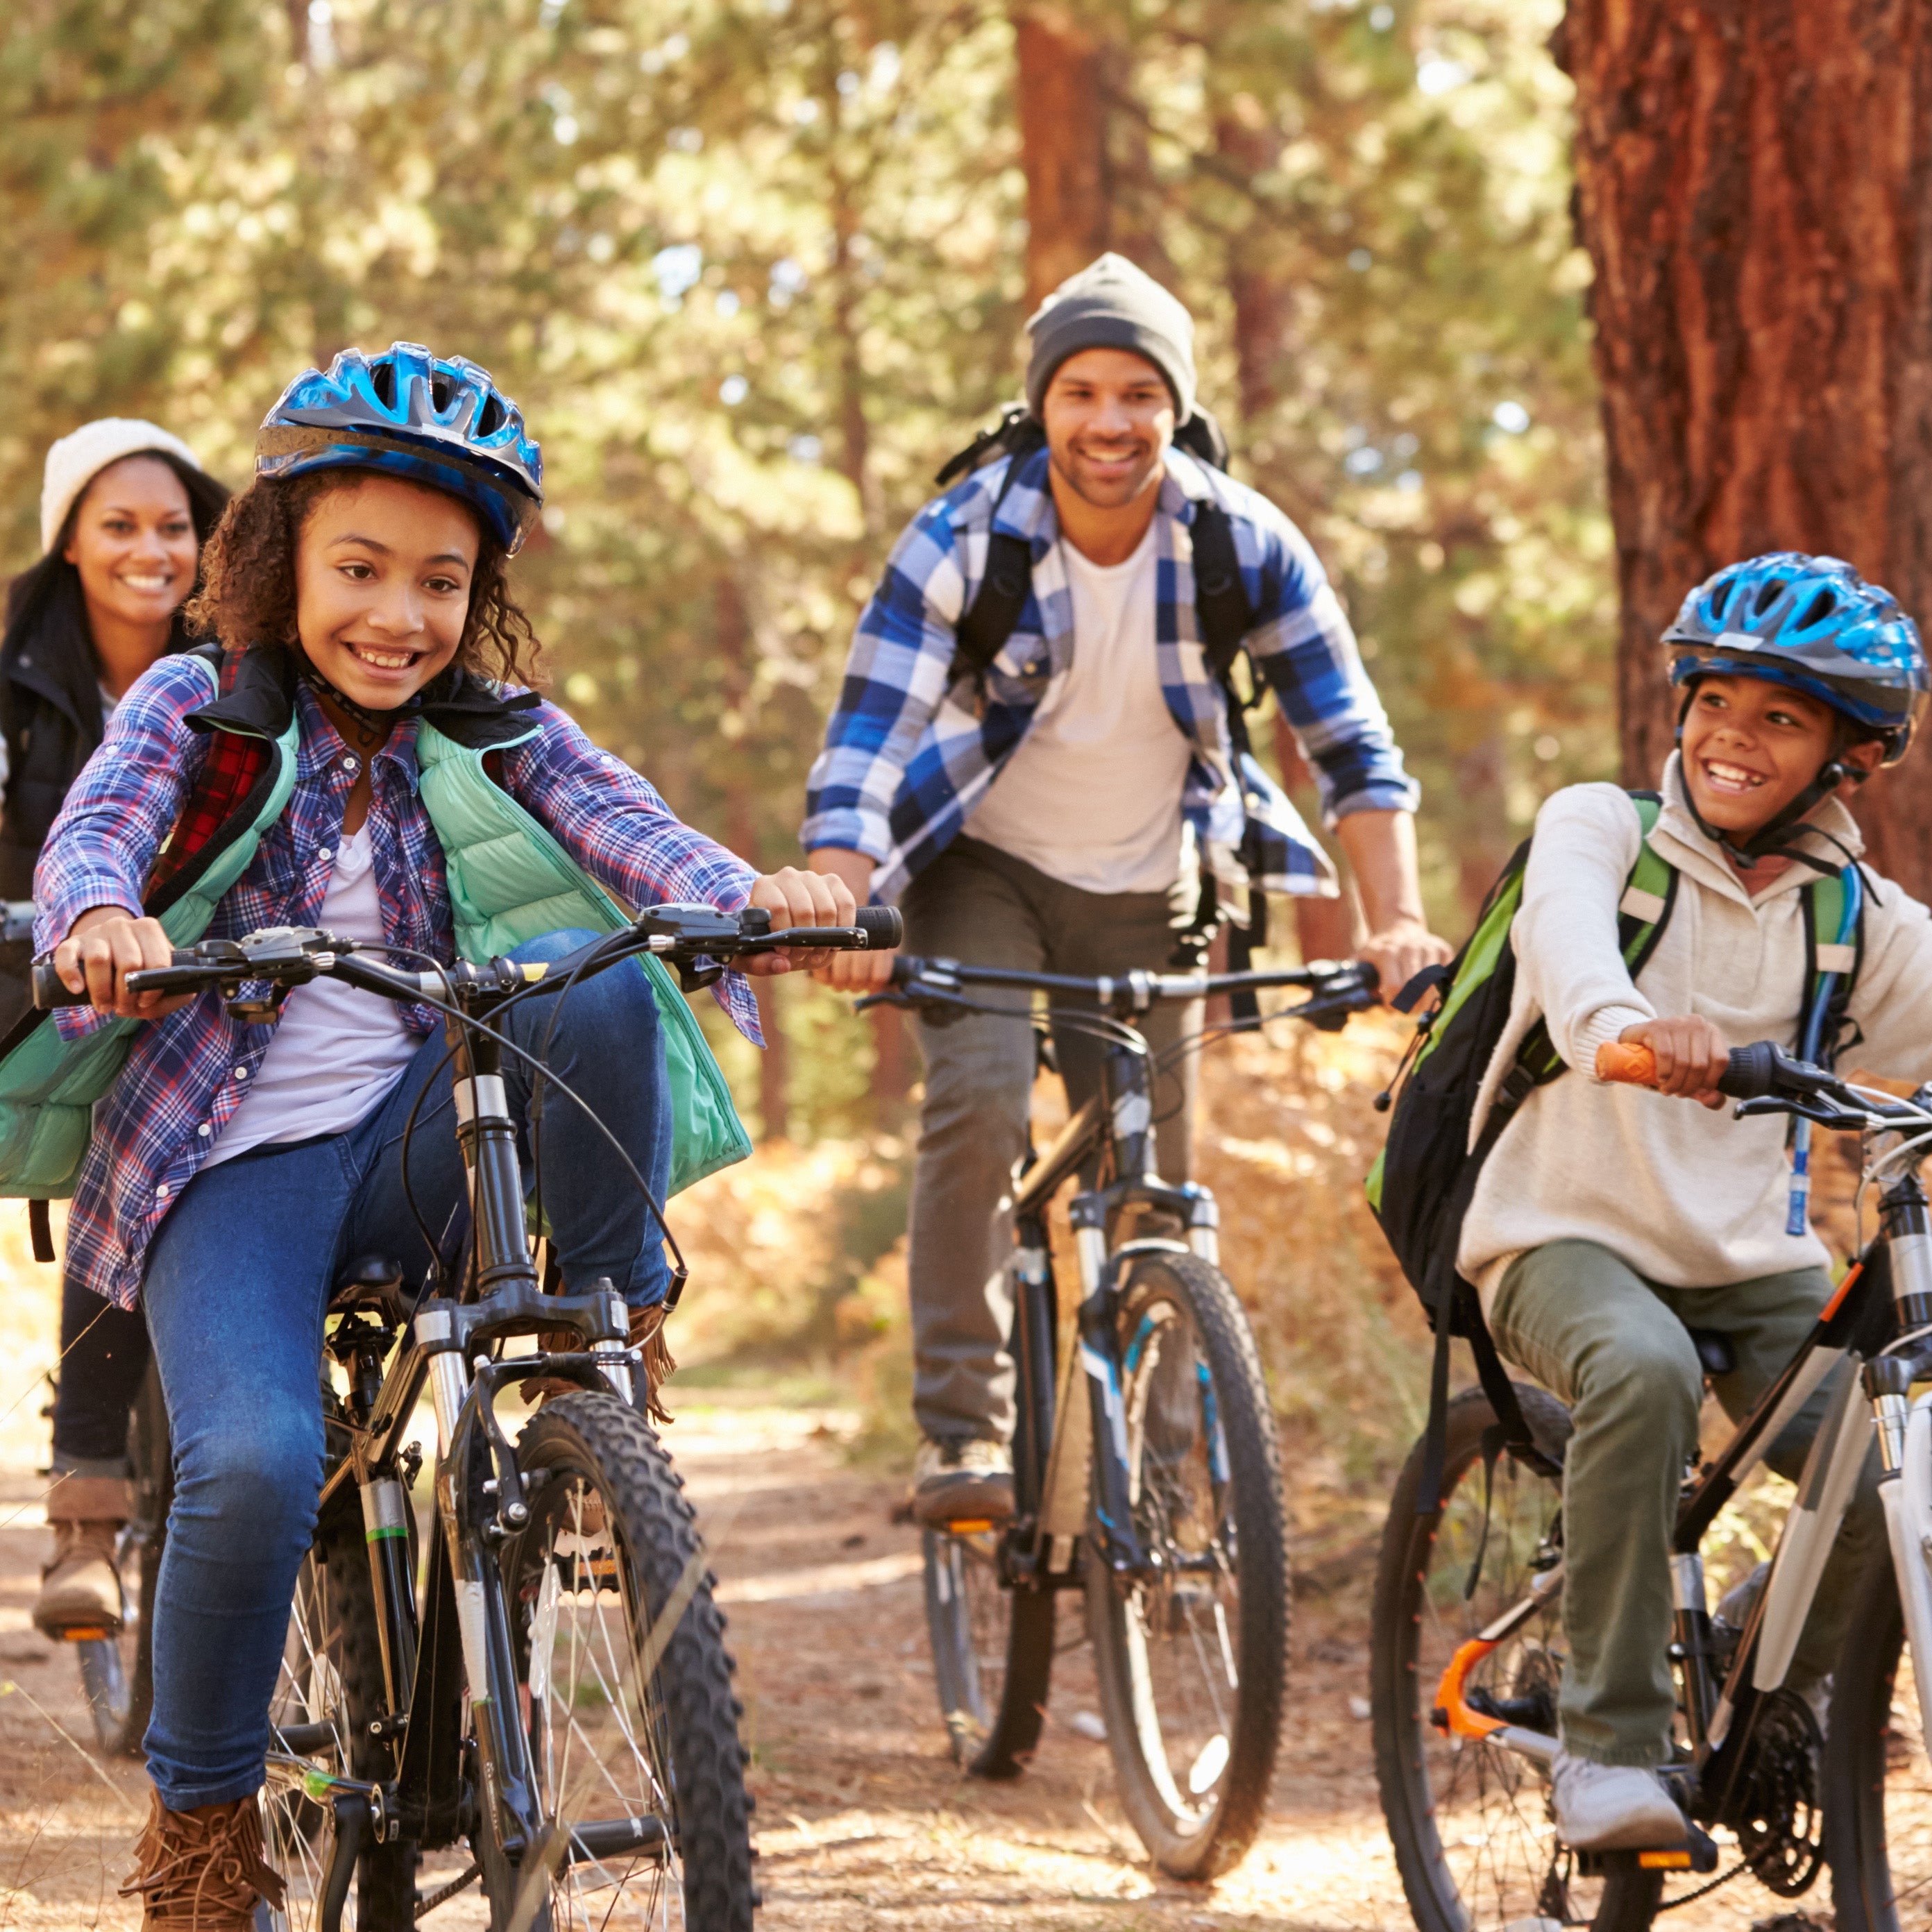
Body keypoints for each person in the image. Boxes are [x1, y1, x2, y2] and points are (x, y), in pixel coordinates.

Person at [31, 343, 852, 1926]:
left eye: (436, 582)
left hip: (420, 1141)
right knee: (261, 1463)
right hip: (233, 1172)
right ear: (280, 560)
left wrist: (752, 900)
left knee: (592, 981)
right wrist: (104, 917)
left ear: (476, 596)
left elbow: (640, 833)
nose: (395, 617)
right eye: (358, 570)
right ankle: (203, 1840)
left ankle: (597, 1361)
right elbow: (99, 830)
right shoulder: (194, 702)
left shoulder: (493, 728)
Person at [803, 253, 1448, 1526]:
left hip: (1155, 877)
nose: (1110, 421)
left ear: (1177, 405)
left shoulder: (1242, 542)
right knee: (980, 1096)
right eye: (1083, 390)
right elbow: (869, 741)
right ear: (1043, 403)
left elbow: (1353, 748)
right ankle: (961, 1433)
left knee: (1155, 1190)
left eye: (1140, 392)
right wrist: (845, 898)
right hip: (981, 866)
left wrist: (1397, 923)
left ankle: (1158, 1485)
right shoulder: (964, 536)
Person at [1457, 551, 1932, 1849]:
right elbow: (1565, 943)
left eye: (1782, 718)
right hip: (1562, 1232)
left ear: (1847, 755)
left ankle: (1751, 1657)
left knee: (1903, 1451)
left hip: (1750, 1258)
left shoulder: (1854, 918)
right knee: (1641, 1367)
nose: (1735, 736)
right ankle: (1609, 1747)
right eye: (1719, 700)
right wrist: (1622, 1024)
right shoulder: (1604, 830)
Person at [3, 421, 230, 1641]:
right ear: (71, 544)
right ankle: (86, 1513)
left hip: (217, 978)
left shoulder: (243, 665)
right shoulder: (16, 675)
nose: (153, 551)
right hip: (47, 983)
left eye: (175, 527)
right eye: (120, 526)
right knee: (120, 1123)